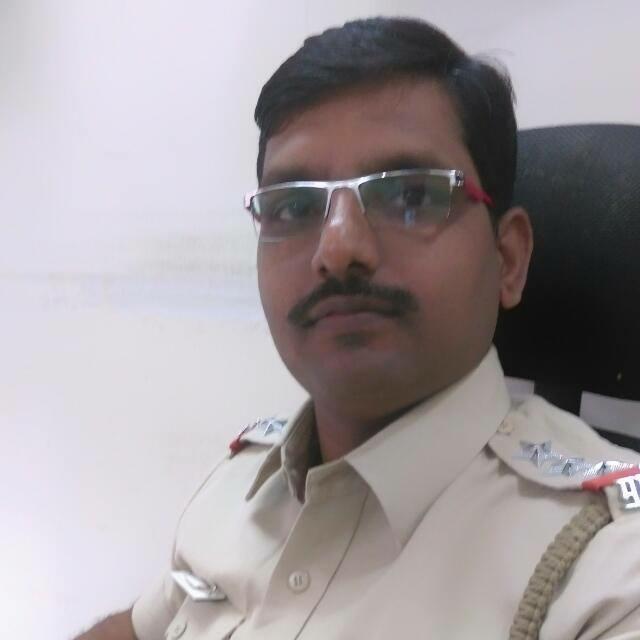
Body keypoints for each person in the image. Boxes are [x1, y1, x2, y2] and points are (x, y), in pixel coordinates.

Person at [75, 16, 640, 640]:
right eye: (295, 206)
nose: (338, 248)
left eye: (411, 197)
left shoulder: (606, 572)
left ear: (507, 259)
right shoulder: (238, 487)